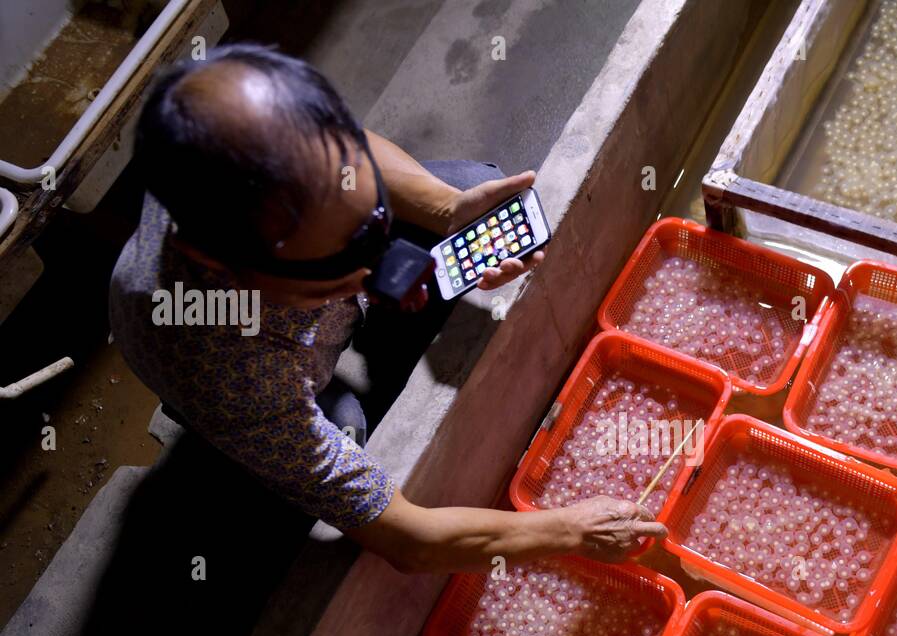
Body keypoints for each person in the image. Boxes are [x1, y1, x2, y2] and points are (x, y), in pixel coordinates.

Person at [109, 43, 664, 574]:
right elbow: (409, 540)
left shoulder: (256, 125)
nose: (375, 265)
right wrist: (570, 531)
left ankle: (371, 294)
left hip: (289, 295)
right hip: (248, 370)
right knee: (347, 424)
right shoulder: (229, 370)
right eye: (334, 268)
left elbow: (358, 149)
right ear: (217, 261)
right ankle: (224, 444)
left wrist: (448, 209)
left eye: (370, 226)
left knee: (477, 191)